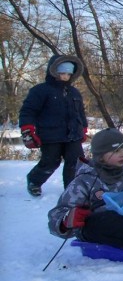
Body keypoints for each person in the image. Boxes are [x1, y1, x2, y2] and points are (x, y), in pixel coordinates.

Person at [19, 54, 87, 197]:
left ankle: (72, 189)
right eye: (62, 72)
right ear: (54, 71)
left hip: (73, 134)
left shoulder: (74, 92)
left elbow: (80, 112)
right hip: (50, 135)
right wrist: (28, 129)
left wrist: (83, 128)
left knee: (75, 163)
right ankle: (34, 181)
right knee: (50, 162)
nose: (66, 76)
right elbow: (28, 111)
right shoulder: (40, 91)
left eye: (69, 73)